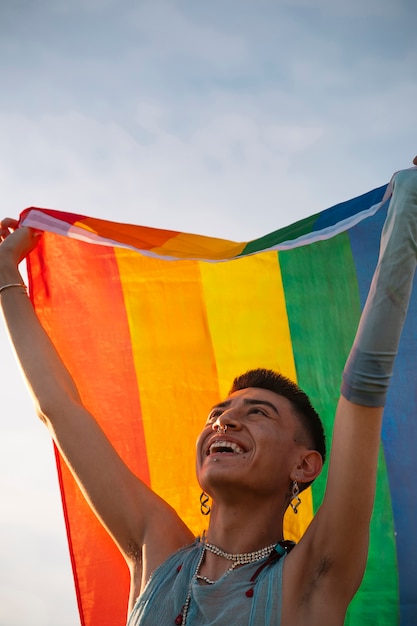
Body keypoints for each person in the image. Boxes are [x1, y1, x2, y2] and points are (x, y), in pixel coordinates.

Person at [1, 158, 416, 626]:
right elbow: (60, 409)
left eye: (259, 413)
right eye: (219, 411)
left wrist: (408, 215)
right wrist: (6, 278)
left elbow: (363, 386)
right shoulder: (155, 550)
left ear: (304, 464)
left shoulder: (315, 575)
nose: (225, 420)